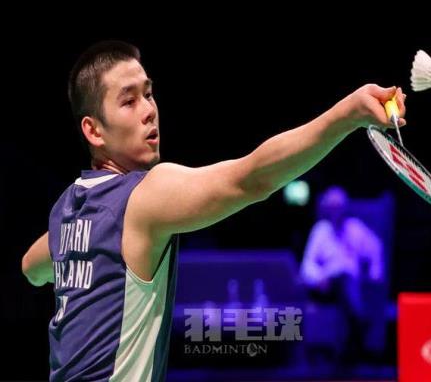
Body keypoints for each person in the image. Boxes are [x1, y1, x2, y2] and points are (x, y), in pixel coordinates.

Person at [21, 40, 406, 381]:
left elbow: (30, 267)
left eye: (148, 94)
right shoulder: (143, 195)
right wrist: (347, 116)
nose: (149, 111)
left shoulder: (68, 208)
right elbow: (251, 179)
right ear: (94, 131)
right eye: (128, 101)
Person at [300, 186, 386, 359]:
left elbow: (376, 247)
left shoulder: (355, 228)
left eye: (339, 206)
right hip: (327, 285)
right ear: (326, 209)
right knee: (342, 281)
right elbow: (307, 264)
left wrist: (374, 274)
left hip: (354, 284)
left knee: (346, 281)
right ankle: (358, 326)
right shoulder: (320, 230)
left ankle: (349, 341)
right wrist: (319, 278)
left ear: (346, 207)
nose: (336, 211)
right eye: (332, 207)